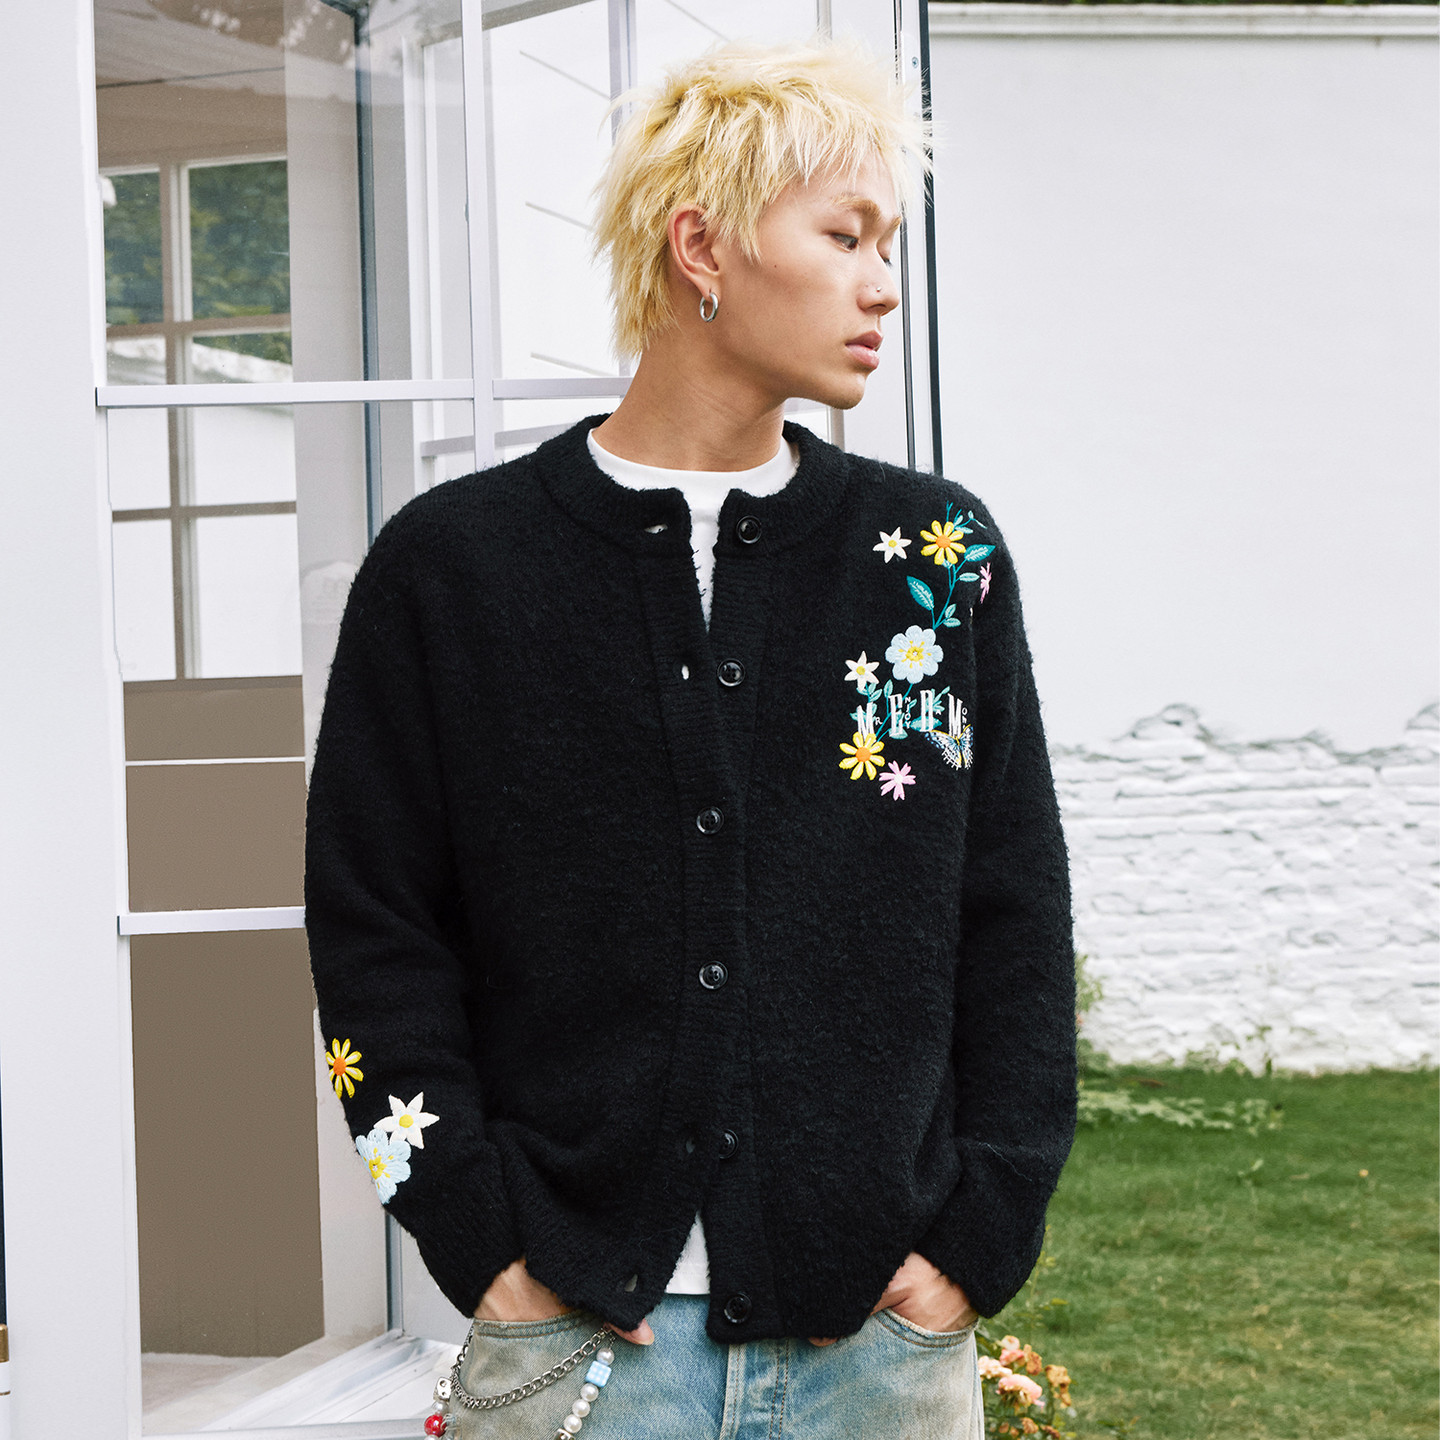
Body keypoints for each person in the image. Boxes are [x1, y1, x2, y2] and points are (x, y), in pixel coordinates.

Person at [305, 39, 1076, 1440]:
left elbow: (1013, 912)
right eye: (845, 236)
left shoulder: (932, 557)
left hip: (879, 1351)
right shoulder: (455, 569)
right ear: (702, 244)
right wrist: (478, 1234)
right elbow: (376, 931)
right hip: (579, 1348)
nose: (882, 285)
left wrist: (976, 1241)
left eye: (889, 245)